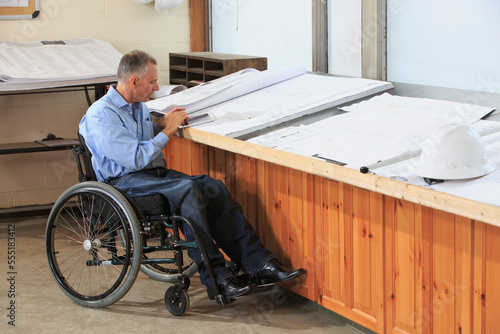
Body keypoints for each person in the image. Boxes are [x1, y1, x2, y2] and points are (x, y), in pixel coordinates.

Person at [79, 50, 304, 302]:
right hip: (123, 183)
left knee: (213, 186)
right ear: (133, 81)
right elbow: (135, 158)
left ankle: (258, 264)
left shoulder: (138, 106)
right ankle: (216, 277)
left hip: (151, 175)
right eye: (152, 81)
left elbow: (136, 140)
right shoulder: (101, 115)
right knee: (186, 189)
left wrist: (158, 125)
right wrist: (168, 132)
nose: (155, 87)